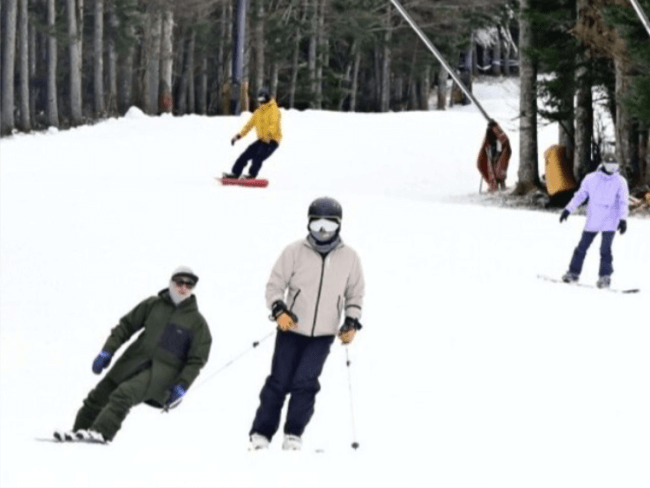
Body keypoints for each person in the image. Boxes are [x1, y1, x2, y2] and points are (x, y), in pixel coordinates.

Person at [249, 197, 365, 451]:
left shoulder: (350, 258)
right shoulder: (294, 252)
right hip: (291, 328)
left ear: (339, 226)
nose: (322, 232)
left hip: (323, 333)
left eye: (329, 225)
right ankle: (261, 433)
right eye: (317, 224)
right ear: (309, 224)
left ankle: (293, 434)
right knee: (279, 380)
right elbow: (275, 285)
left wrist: (351, 322)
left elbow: (354, 293)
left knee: (306, 383)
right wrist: (279, 308)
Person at [54, 266, 212, 443]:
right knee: (98, 395)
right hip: (133, 361)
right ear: (171, 283)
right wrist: (108, 351)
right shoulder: (153, 305)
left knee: (124, 394)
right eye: (179, 282)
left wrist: (183, 385)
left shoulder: (197, 323)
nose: (184, 287)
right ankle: (78, 432)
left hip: (162, 374)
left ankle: (101, 432)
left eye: (189, 285)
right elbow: (126, 326)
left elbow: (197, 359)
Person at [559, 155, 629, 288]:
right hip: (594, 218)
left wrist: (623, 219)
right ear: (603, 165)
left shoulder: (620, 181)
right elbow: (580, 195)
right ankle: (573, 273)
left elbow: (623, 202)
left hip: (610, 220)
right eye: (610, 165)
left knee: (605, 249)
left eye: (615, 166)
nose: (612, 169)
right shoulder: (591, 178)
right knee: (582, 247)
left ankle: (605, 277)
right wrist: (568, 209)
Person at [223, 88, 282, 180]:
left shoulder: (274, 110)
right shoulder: (258, 112)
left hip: (272, 141)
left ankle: (252, 175)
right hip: (262, 140)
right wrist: (238, 136)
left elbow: (273, 125)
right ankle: (235, 173)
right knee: (245, 155)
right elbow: (248, 126)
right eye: (259, 100)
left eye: (263, 100)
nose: (261, 102)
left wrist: (268, 136)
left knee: (258, 157)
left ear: (267, 98)